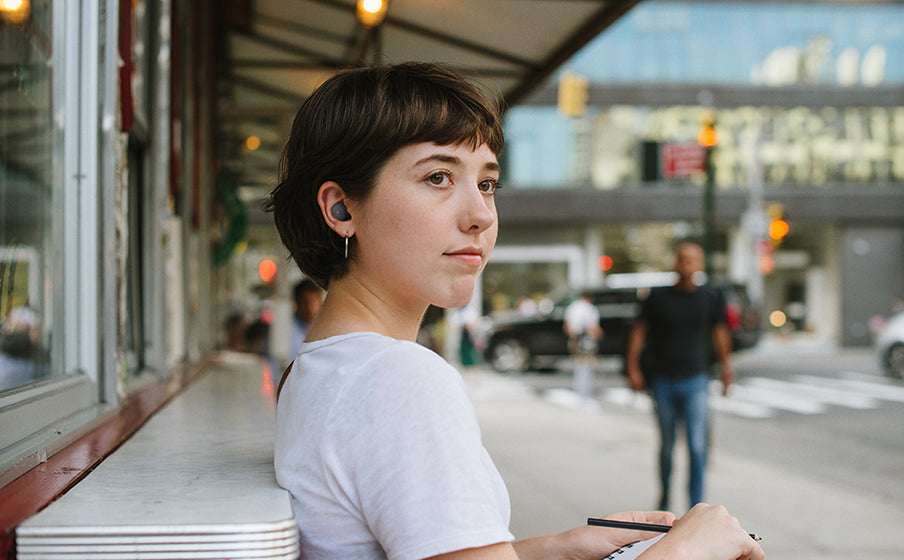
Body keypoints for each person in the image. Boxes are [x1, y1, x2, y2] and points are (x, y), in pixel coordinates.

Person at [266, 63, 761, 560]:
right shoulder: (398, 379)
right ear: (341, 210)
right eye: (438, 177)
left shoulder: (313, 369)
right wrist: (685, 553)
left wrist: (555, 547)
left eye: (486, 184)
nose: (480, 215)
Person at [626, 242, 735, 512]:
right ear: (675, 262)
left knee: (698, 447)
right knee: (667, 446)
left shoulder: (709, 298)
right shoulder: (657, 298)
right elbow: (639, 333)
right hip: (663, 381)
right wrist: (633, 368)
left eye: (692, 259)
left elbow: (720, 335)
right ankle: (664, 498)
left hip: (696, 381)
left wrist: (726, 369)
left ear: (699, 264)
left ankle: (696, 505)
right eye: (682, 259)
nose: (687, 264)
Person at [563, 290, 603, 403]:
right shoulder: (590, 309)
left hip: (574, 340)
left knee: (578, 366)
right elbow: (593, 327)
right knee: (586, 368)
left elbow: (566, 326)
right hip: (586, 341)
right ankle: (584, 394)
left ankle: (578, 391)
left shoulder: (573, 307)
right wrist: (600, 335)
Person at [289, 278, 323, 359]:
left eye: (313, 302)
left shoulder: (326, 327)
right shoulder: (288, 328)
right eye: (305, 302)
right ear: (296, 302)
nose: (309, 308)